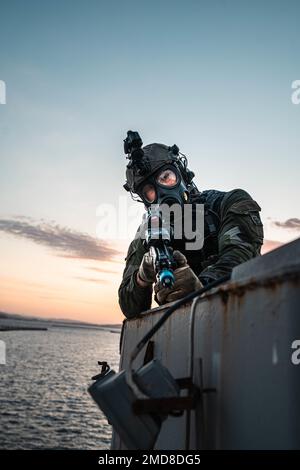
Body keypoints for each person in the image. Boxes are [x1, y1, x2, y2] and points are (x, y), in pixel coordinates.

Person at [119, 133, 264, 319]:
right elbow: (128, 306)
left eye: (166, 177)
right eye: (149, 191)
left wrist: (200, 287)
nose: (161, 191)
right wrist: (142, 277)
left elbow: (241, 259)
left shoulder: (227, 204)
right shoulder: (150, 234)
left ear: (181, 174)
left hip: (243, 319)